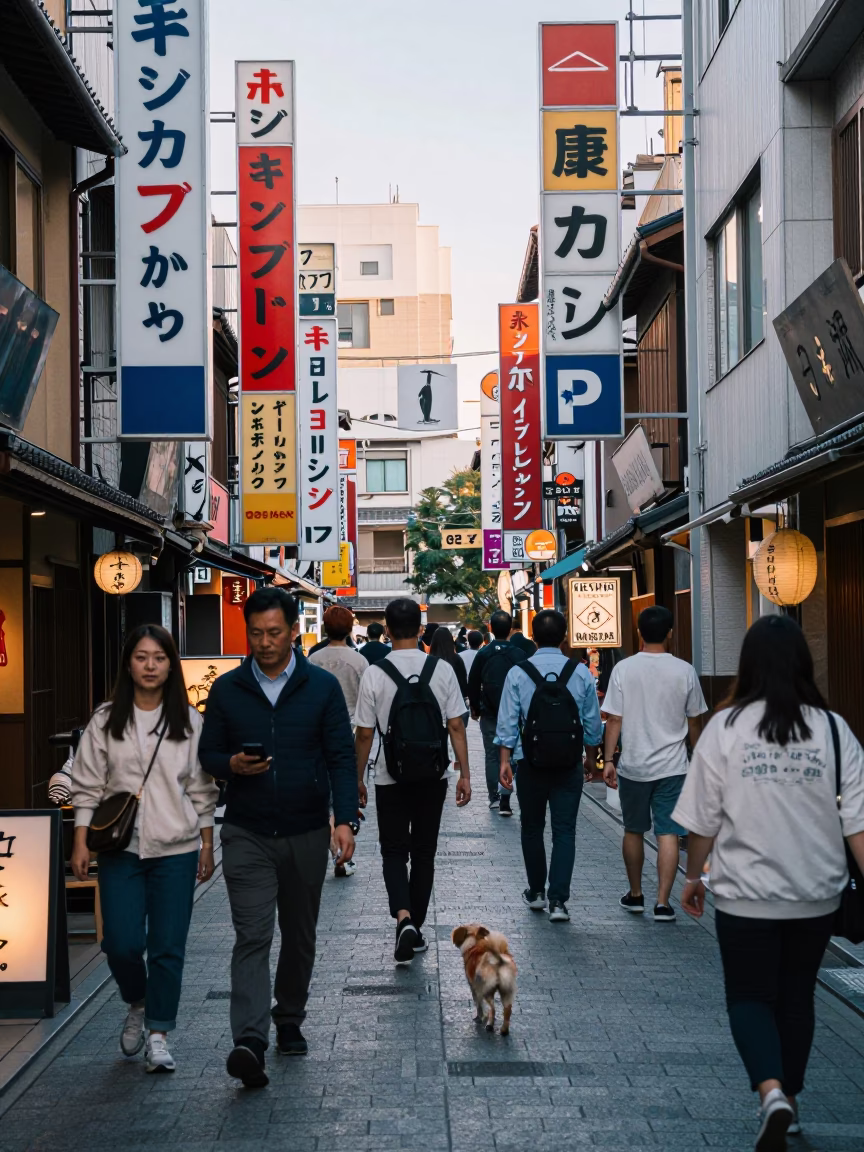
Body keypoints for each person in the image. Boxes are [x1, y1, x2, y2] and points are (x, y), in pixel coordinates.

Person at [673, 616, 864, 1150]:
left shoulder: (726, 728)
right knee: (797, 998)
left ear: (748, 665)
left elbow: (703, 821)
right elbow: (858, 823)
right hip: (816, 891)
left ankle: (771, 1092)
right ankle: (794, 1102)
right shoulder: (832, 729)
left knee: (750, 997)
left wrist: (693, 876)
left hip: (744, 892)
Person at [199, 587, 356, 1089]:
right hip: (245, 830)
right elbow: (207, 754)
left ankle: (289, 1016)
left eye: (273, 633)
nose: (264, 643)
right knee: (252, 935)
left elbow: (339, 757)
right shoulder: (227, 690)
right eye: (256, 634)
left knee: (300, 933)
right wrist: (231, 765)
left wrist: (344, 819)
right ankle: (249, 1040)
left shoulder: (320, 688)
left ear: (294, 632)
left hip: (307, 827)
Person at [71, 624, 218, 1075]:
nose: (150, 665)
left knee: (168, 945)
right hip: (121, 849)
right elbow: (88, 782)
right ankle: (137, 999)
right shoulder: (106, 719)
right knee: (120, 942)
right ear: (128, 663)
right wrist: (80, 838)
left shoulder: (189, 722)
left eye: (159, 657)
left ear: (171, 664)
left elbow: (201, 787)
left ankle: (158, 1033)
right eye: (141, 657)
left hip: (176, 848)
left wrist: (208, 841)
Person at [354, 598, 471, 963]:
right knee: (423, 851)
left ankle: (402, 918)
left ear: (387, 630)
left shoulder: (376, 672)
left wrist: (356, 778)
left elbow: (364, 734)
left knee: (393, 850)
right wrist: (464, 773)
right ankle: (415, 926)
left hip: (390, 775)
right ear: (421, 629)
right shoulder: (441, 669)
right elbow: (455, 724)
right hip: (433, 774)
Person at [602, 605, 707, 922]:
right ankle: (663, 903)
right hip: (674, 767)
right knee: (669, 834)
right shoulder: (684, 670)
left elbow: (614, 720)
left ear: (639, 633)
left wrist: (608, 759)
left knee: (633, 830)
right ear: (670, 634)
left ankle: (635, 895)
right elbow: (694, 723)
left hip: (634, 765)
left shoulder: (624, 669)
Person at [496, 609, 602, 922]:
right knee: (565, 830)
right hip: (569, 762)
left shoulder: (519, 672)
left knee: (532, 827)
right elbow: (592, 723)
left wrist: (504, 760)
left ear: (533, 636)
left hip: (529, 761)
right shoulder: (580, 672)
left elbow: (507, 723)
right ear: (565, 636)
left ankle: (536, 892)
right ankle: (559, 900)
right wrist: (591, 759)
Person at [467, 610, 527, 815]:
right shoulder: (519, 654)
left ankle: (494, 797)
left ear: (490, 628)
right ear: (510, 628)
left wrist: (475, 707)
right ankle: (506, 798)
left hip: (490, 712)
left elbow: (473, 683)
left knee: (492, 755)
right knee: (512, 755)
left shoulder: (483, 653)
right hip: (515, 714)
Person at [309, 605, 368, 722]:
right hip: (352, 724)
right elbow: (366, 699)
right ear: (349, 628)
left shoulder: (313, 659)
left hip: (319, 723)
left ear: (325, 628)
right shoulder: (360, 661)